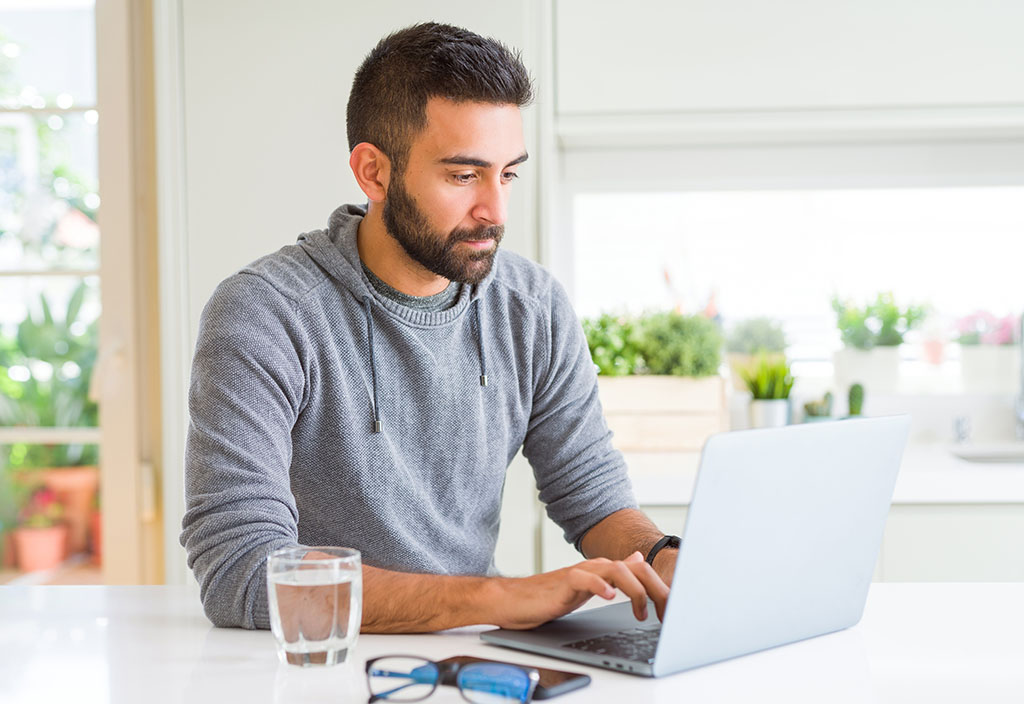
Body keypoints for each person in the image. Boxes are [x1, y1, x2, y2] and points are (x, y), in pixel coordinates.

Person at [180, 22, 678, 632]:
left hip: (473, 660)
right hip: (312, 666)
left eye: (508, 174)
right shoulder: (266, 313)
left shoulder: (532, 306)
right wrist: (496, 599)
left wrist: (662, 556)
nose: (494, 210)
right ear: (373, 173)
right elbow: (242, 571)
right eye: (464, 175)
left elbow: (592, 495)